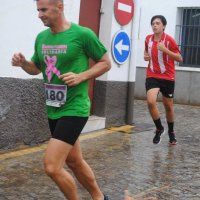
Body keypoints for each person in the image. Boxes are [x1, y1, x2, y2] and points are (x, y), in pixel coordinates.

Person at [11, 0, 111, 199]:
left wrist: (81, 76)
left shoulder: (83, 34)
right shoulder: (41, 38)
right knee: (74, 161)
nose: (40, 14)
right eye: (38, 10)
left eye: (44, 10)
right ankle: (100, 197)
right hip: (54, 108)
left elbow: (105, 62)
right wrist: (23, 64)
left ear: (60, 7)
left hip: (75, 108)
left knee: (52, 166)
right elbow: (37, 68)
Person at [144, 15, 182, 145]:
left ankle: (171, 132)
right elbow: (146, 53)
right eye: (153, 23)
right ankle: (159, 128)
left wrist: (166, 50)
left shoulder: (169, 40)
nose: (155, 25)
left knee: (168, 107)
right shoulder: (148, 39)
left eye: (158, 23)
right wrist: (145, 56)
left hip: (168, 77)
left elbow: (179, 58)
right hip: (152, 75)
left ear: (163, 26)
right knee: (150, 101)